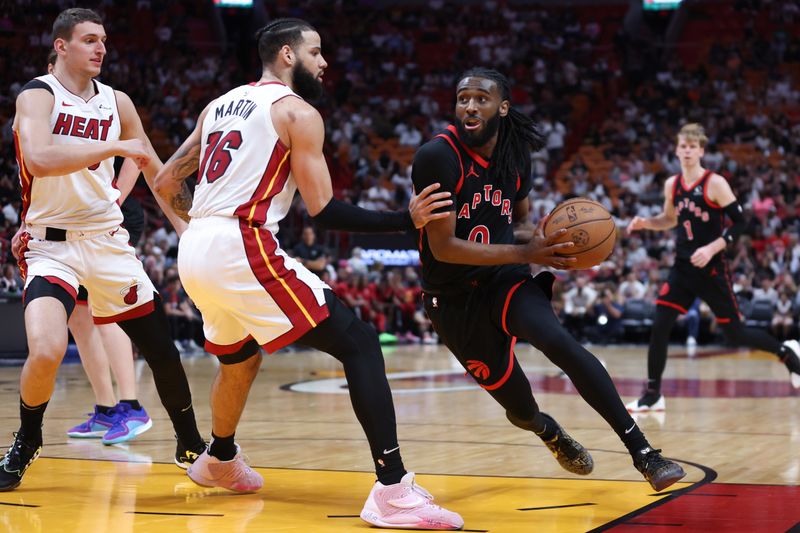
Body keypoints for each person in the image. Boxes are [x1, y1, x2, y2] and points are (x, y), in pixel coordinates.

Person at [154, 18, 463, 530]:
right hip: (241, 241)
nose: (325, 62)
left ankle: (220, 459)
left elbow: (166, 182)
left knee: (239, 359)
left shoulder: (217, 106)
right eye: (316, 52)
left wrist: (202, 234)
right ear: (287, 55)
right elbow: (323, 209)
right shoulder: (297, 112)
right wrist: (403, 221)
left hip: (196, 247)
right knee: (361, 342)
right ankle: (392, 490)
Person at [411, 67, 685, 493]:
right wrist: (527, 250)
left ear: (502, 106)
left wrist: (548, 243)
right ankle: (548, 431)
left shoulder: (516, 155)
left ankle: (645, 453)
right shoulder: (437, 157)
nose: (469, 105)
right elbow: (444, 247)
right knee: (520, 409)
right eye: (463, 98)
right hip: (451, 299)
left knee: (560, 343)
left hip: (505, 280)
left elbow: (518, 225)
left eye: (481, 98)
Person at [0, 8, 207, 491]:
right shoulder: (37, 95)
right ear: (61, 46)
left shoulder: (117, 101)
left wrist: (191, 231)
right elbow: (40, 158)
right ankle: (28, 440)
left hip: (108, 242)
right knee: (48, 349)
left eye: (104, 41)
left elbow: (159, 174)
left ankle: (191, 442)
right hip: (50, 247)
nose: (100, 49)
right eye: (89, 40)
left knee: (162, 349)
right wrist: (113, 149)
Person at [626, 123, 800, 412]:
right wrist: (647, 223)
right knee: (660, 326)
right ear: (677, 149)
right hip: (683, 268)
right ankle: (653, 394)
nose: (687, 151)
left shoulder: (714, 183)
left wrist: (712, 248)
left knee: (736, 334)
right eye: (683, 146)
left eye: (693, 146)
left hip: (712, 269)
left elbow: (742, 222)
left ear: (702, 150)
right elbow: (670, 219)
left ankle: (788, 354)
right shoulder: (673, 184)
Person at [39, 47, 154, 444]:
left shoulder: (103, 101)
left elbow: (139, 150)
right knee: (79, 319)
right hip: (68, 221)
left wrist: (116, 197)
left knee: (107, 313)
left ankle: (131, 405)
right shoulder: (44, 105)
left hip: (106, 216)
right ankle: (106, 409)